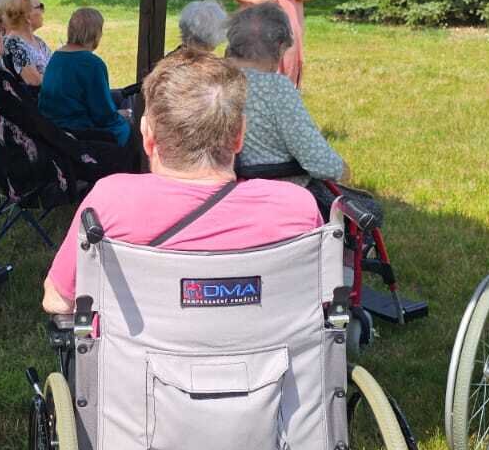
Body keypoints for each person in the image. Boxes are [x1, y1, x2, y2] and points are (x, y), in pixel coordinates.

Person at [42, 49, 322, 315]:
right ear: (239, 136)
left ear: (148, 136)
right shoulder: (296, 207)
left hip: (141, 351)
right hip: (265, 351)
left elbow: (58, 300)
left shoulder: (109, 202)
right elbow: (320, 299)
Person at [0, 9, 124, 198]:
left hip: (1, 162)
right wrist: (73, 144)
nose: (3, 35)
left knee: (102, 137)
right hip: (30, 168)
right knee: (115, 151)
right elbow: (37, 125)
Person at [225, 3, 346, 183]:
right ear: (280, 46)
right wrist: (343, 171)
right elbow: (323, 164)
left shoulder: (211, 79)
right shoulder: (276, 89)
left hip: (218, 189)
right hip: (275, 191)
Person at [39, 7, 131, 148]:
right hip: (79, 130)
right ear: (95, 34)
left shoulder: (56, 57)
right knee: (127, 128)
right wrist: (120, 115)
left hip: (51, 127)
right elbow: (103, 114)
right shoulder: (92, 64)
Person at [0, 0, 51, 89]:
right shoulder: (13, 44)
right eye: (40, 6)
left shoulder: (39, 42)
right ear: (28, 16)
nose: (43, 11)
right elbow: (34, 81)